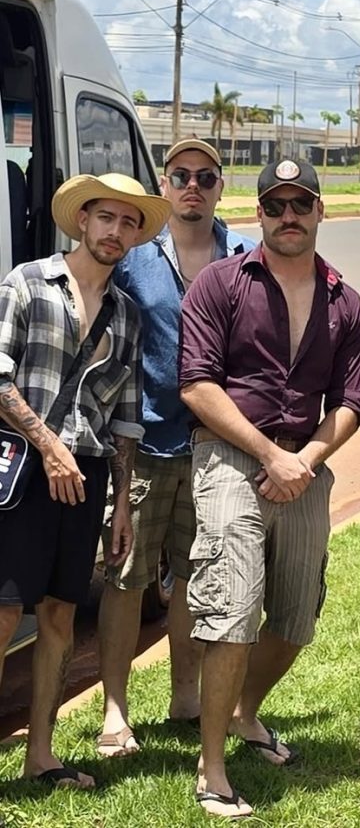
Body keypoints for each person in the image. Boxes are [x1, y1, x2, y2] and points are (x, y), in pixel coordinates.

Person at [178, 159, 360, 818]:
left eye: (301, 203)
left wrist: (306, 459)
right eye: (276, 205)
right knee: (232, 611)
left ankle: (244, 711)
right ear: (258, 213)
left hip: (304, 465)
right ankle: (212, 770)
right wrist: (268, 454)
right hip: (231, 455)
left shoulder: (344, 300)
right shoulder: (220, 283)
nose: (289, 215)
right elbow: (197, 384)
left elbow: (352, 399)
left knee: (295, 617)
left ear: (320, 211)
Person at [0, 173, 170, 789]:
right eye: (106, 217)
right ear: (82, 221)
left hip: (86, 477)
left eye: (128, 222)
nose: (115, 231)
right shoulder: (27, 283)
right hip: (24, 471)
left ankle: (41, 757)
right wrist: (48, 447)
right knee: (3, 612)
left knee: (60, 617)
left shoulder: (127, 315)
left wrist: (121, 504)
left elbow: (125, 417)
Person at [97, 138, 256, 757]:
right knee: (126, 578)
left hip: (216, 447)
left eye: (206, 177)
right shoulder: (134, 256)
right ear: (164, 186)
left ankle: (185, 696)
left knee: (195, 578)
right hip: (141, 443)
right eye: (181, 175)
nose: (193, 186)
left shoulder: (242, 254)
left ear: (220, 187)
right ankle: (114, 709)